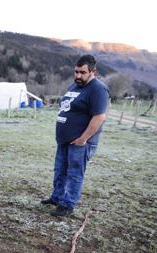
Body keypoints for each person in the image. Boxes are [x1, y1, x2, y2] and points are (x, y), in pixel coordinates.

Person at [41, 55, 109, 217]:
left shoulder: (98, 89)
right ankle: (56, 198)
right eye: (76, 72)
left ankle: (67, 205)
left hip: (80, 143)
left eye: (83, 72)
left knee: (74, 174)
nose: (78, 76)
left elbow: (99, 116)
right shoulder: (75, 86)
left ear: (93, 71)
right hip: (64, 140)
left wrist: (83, 139)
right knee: (60, 171)